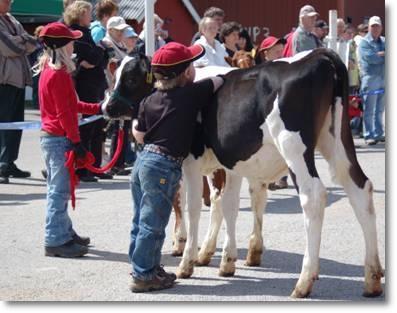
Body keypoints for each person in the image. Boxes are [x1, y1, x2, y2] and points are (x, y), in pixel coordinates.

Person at [129, 42, 224, 292]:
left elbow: (138, 134)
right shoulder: (191, 94)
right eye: (191, 66)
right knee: (154, 222)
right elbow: (219, 81)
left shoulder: (149, 100)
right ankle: (144, 275)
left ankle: (142, 265)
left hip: (142, 162)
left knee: (140, 219)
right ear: (186, 73)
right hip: (164, 165)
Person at [36, 22, 102, 257]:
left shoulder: (48, 70)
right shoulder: (60, 74)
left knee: (58, 189)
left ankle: (64, 231)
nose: (74, 43)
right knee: (59, 191)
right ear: (62, 45)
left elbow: (70, 105)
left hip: (51, 138)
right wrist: (76, 141)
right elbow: (66, 113)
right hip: (59, 139)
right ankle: (55, 239)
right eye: (71, 40)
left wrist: (99, 108)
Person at [64, 0, 112, 181]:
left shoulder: (87, 33)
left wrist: (99, 54)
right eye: (88, 12)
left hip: (95, 83)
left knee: (97, 126)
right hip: (86, 85)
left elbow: (98, 59)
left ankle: (94, 167)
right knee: (87, 126)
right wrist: (100, 52)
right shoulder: (77, 33)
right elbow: (92, 58)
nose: (90, 16)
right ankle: (84, 168)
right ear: (79, 14)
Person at [0, 0, 37, 184]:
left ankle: (10, 162)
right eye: (6, 0)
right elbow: (9, 48)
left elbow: (33, 42)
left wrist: (20, 40)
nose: (10, 3)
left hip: (18, 80)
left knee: (16, 124)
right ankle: (2, 165)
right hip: (3, 81)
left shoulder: (12, 20)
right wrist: (22, 40)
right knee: (4, 124)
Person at [358, 16, 385, 145]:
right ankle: (369, 135)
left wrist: (380, 54)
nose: (375, 28)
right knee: (369, 109)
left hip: (383, 78)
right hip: (370, 79)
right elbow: (371, 59)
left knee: (380, 109)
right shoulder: (364, 42)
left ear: (381, 28)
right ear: (368, 27)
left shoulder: (385, 41)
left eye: (377, 26)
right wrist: (382, 55)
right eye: (373, 26)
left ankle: (379, 133)